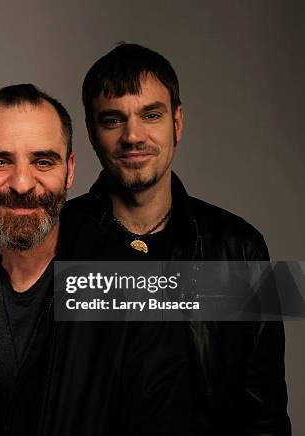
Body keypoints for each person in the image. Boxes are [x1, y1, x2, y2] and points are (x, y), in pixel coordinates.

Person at [0, 84, 193, 435]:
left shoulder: (133, 290)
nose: (21, 183)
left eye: (43, 161)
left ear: (69, 170)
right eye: (0, 161)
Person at [67, 43, 290, 434]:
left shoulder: (240, 248)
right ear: (91, 131)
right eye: (113, 120)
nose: (133, 136)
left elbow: (265, 416)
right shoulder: (58, 239)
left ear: (178, 122)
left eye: (151, 115)